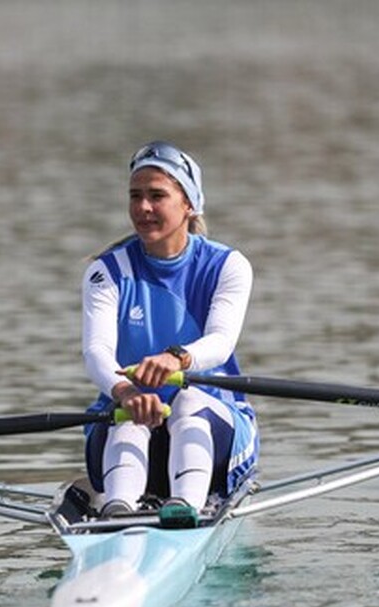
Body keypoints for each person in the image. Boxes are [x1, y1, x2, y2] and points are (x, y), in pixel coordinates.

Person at [82, 141, 258, 523]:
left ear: (189, 204)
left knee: (189, 400)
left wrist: (175, 358)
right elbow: (97, 353)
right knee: (128, 412)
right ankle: (118, 511)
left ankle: (187, 510)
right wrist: (127, 392)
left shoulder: (228, 265)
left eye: (157, 196)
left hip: (215, 435)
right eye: (135, 196)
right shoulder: (106, 272)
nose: (143, 208)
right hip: (123, 427)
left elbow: (220, 342)